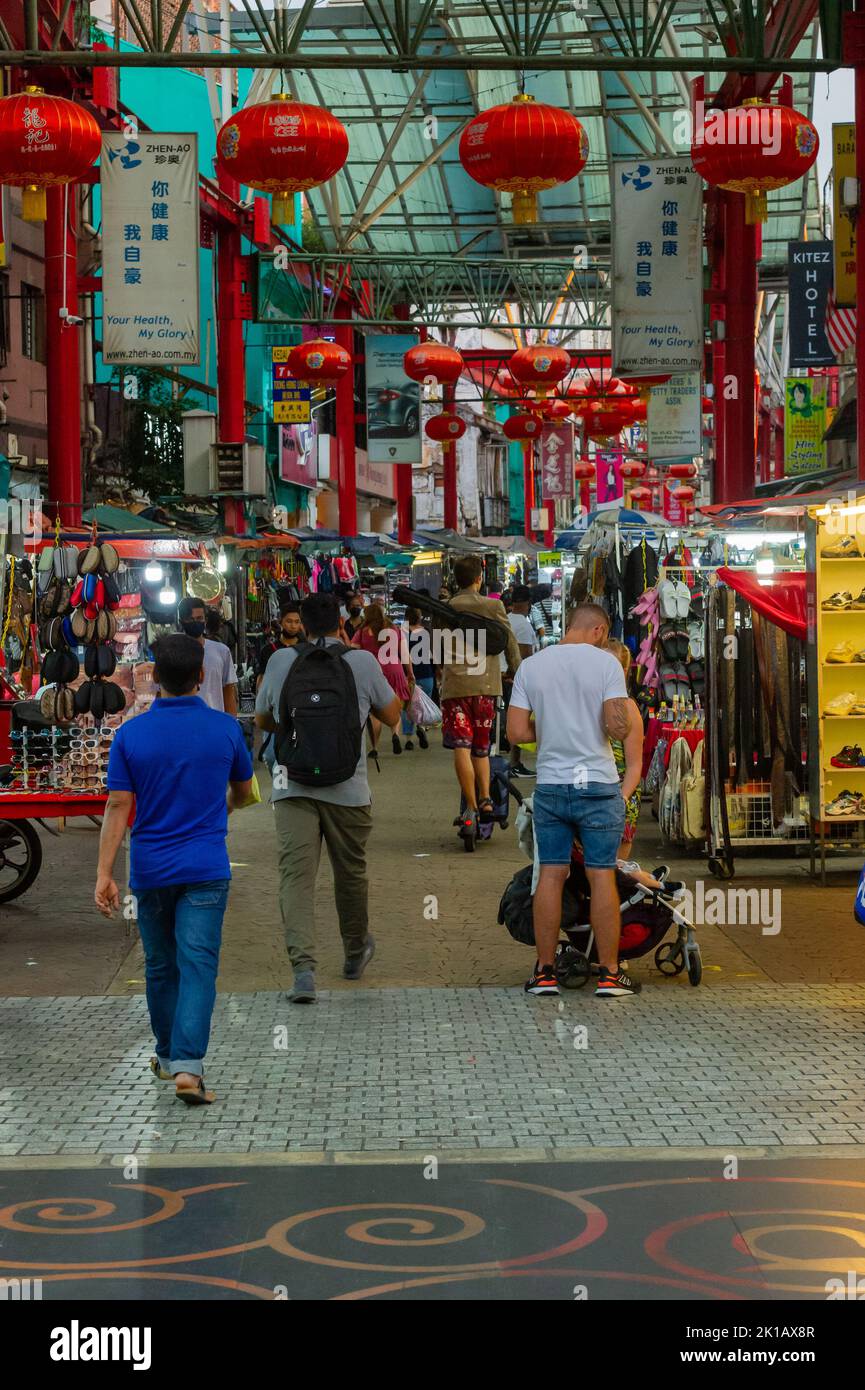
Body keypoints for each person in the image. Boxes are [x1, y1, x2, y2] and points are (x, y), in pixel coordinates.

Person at [95, 634, 253, 1105]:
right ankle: (187, 1067)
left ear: (155, 678)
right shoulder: (226, 729)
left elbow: (118, 805)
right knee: (198, 965)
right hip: (206, 867)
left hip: (151, 870)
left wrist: (104, 873)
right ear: (201, 676)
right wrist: (221, 809)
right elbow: (245, 792)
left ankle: (167, 1057)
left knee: (161, 965)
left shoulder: (130, 735)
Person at [255, 592, 401, 1003]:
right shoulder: (362, 662)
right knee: (349, 873)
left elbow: (264, 719)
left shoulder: (280, 661)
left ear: (300, 624)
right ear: (341, 623)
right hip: (349, 790)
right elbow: (393, 715)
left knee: (296, 879)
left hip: (292, 787)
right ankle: (355, 951)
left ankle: (303, 972)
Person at [507, 602, 639, 1000]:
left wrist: (551, 724)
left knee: (551, 875)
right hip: (598, 784)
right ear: (599, 630)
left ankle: (545, 973)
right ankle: (610, 975)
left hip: (552, 785)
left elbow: (516, 733)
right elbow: (618, 728)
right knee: (601, 876)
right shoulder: (607, 665)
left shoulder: (531, 667)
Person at [439, 554, 521, 838]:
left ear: (455, 579)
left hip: (456, 687)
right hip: (486, 687)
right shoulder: (494, 606)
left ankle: (471, 809)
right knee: (482, 747)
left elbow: (437, 648)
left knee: (461, 746)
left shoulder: (446, 608)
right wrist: (516, 672)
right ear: (479, 578)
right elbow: (510, 643)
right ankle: (486, 799)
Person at [351, 602, 413, 756]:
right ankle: (395, 734)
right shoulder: (395, 629)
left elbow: (353, 651)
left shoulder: (362, 631)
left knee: (374, 713)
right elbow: (405, 655)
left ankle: (374, 748)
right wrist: (410, 673)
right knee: (396, 706)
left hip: (373, 672)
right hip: (395, 671)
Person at [606, 639, 644, 859]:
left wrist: (621, 799)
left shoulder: (628, 708)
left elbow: (634, 765)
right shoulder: (586, 703)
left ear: (624, 670)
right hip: (588, 797)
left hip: (620, 796)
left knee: (614, 868)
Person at [177, 596, 238, 714]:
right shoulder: (172, 653)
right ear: (182, 621)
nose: (195, 622)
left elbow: (228, 692)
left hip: (214, 719)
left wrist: (232, 721)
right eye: (190, 619)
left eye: (199, 618)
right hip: (183, 720)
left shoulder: (221, 651)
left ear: (205, 620)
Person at [503, 584, 538, 777]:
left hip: (503, 675)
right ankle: (514, 763)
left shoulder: (505, 619)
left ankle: (512, 762)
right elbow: (524, 656)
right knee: (518, 720)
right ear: (527, 603)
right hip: (515, 678)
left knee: (508, 718)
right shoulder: (523, 625)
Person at [401, 605, 435, 750]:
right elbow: (432, 654)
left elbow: (401, 654)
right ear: (419, 618)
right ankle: (421, 727)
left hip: (407, 674)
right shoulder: (426, 632)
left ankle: (408, 739)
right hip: (426, 673)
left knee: (407, 707)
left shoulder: (402, 633)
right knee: (423, 705)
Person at [256, 605, 304, 688]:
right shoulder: (268, 650)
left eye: (297, 622)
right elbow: (262, 678)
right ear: (280, 621)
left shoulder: (305, 649)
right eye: (289, 621)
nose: (293, 626)